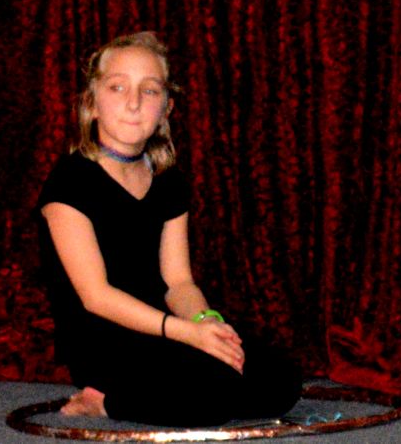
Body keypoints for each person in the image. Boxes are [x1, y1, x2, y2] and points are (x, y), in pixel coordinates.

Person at [36, 31, 301, 427]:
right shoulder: (70, 181)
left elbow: (178, 282)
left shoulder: (168, 180)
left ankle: (167, 388)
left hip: (165, 329)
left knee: (281, 378)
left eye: (149, 90)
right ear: (91, 103)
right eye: (118, 87)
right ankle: (105, 399)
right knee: (206, 396)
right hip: (104, 336)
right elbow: (96, 296)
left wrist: (205, 323)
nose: (133, 102)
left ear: (166, 108)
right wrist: (185, 334)